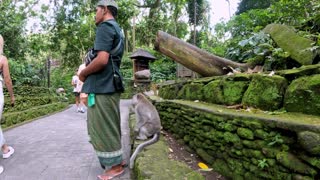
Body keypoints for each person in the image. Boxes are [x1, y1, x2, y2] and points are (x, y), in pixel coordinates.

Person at [79, 1, 125, 179]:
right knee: (110, 125)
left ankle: (115, 167)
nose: (95, 14)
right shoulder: (117, 29)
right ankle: (117, 161)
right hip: (110, 84)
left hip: (103, 86)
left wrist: (83, 74)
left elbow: (102, 59)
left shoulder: (105, 27)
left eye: (96, 10)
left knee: (102, 126)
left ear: (104, 9)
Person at [0, 35, 15, 174]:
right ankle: (4, 149)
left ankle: (4, 148)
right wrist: (12, 96)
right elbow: (8, 80)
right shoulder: (2, 59)